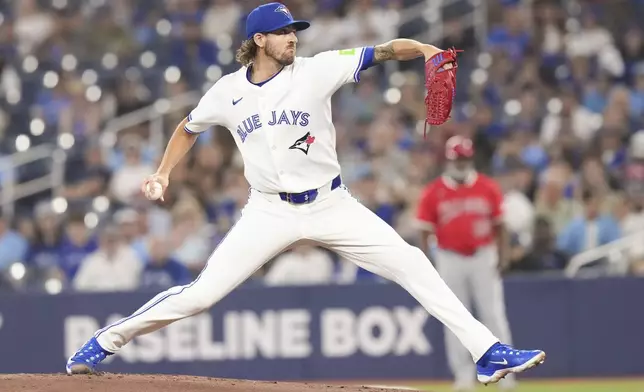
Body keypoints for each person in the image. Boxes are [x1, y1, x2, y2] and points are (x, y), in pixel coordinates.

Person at [66, 3, 545, 385]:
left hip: (332, 204)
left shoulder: (317, 70)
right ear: (259, 40)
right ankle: (108, 340)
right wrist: (164, 173)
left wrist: (421, 47)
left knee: (413, 263)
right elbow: (188, 128)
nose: (293, 36)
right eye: (283, 31)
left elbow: (379, 52)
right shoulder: (228, 92)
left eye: (295, 29)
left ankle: (487, 352)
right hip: (268, 210)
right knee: (200, 295)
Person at [415, 136, 517, 391]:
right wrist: (427, 262)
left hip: (483, 254)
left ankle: (504, 372)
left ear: (470, 159)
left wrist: (503, 256)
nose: (460, 163)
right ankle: (463, 375)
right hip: (449, 257)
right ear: (448, 160)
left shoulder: (487, 187)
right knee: (455, 318)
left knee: (493, 315)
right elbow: (424, 232)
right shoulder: (433, 191)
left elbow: (501, 226)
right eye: (456, 159)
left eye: (463, 158)